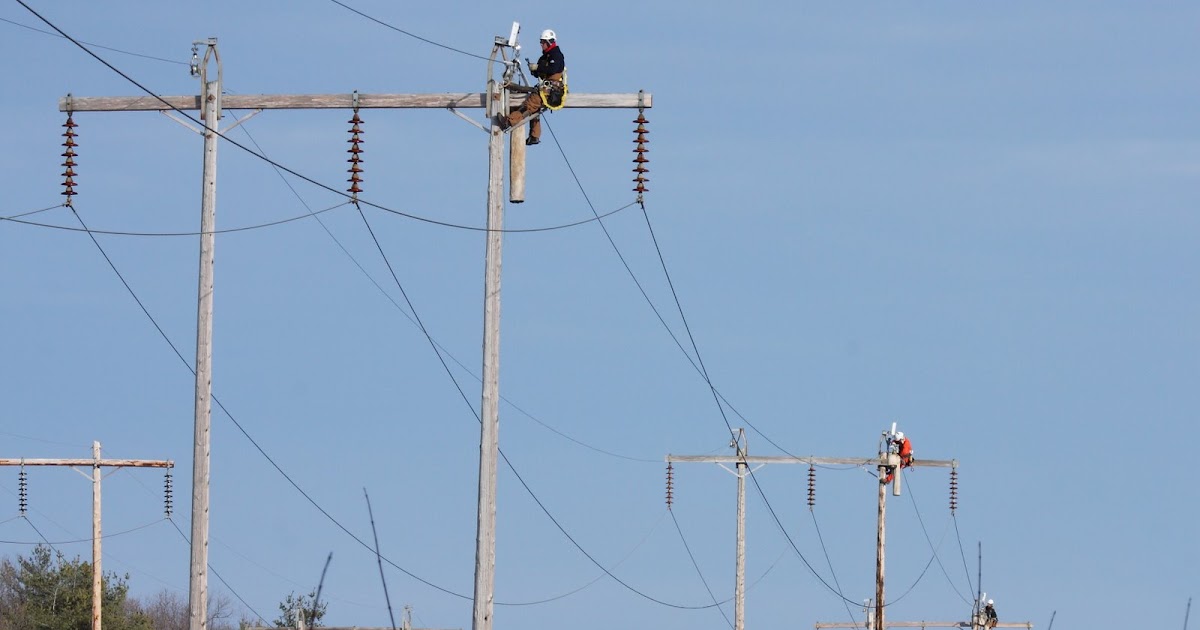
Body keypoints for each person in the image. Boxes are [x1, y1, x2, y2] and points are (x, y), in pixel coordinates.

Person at [501, 29, 566, 145]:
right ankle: (535, 135)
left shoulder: (556, 55)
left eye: (543, 42)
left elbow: (553, 69)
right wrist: (534, 70)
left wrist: (538, 68)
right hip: (546, 88)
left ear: (550, 42)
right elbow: (541, 71)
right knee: (534, 108)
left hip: (551, 90)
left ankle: (509, 121)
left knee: (530, 105)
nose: (541, 44)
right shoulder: (545, 56)